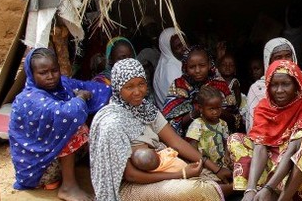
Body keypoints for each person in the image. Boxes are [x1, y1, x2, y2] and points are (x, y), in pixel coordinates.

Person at [90, 58, 233, 201]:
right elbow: (131, 175)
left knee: (210, 176)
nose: (138, 92)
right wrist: (181, 174)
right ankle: (238, 189)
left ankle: (234, 188)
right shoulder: (112, 123)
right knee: (194, 189)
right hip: (130, 187)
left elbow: (175, 141)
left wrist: (216, 168)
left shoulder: (145, 108)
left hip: (162, 169)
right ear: (117, 88)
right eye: (129, 87)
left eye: (141, 84)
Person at [228, 59, 302, 200]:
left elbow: (293, 148)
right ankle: (255, 194)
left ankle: (281, 197)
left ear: (296, 85)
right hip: (273, 175)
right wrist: (250, 189)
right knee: (236, 139)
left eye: (286, 84)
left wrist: (269, 187)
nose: (279, 90)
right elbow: (260, 147)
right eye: (274, 85)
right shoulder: (264, 107)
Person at [9, 48, 111, 201]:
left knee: (96, 115)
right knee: (72, 126)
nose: (50, 77)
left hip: (53, 156)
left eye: (54, 70)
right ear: (31, 73)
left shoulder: (61, 84)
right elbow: (66, 113)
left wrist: (113, 90)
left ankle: (89, 166)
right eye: (43, 73)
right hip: (39, 169)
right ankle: (68, 187)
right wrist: (81, 98)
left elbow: (87, 87)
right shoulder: (29, 99)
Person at [245, 38, 302, 130]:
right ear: (268, 61)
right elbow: (256, 129)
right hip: (269, 140)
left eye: (288, 56)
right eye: (278, 57)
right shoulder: (257, 89)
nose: (284, 61)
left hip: (301, 139)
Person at [162, 45, 237, 136]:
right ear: (185, 67)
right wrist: (196, 112)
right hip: (187, 142)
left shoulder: (219, 84)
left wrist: (215, 109)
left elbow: (234, 119)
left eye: (202, 65)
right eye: (192, 67)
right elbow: (170, 125)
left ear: (209, 64)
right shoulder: (179, 85)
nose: (197, 70)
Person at [185, 85, 231, 169]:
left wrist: (227, 155)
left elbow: (227, 141)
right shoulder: (197, 124)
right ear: (201, 108)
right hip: (203, 165)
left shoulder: (223, 124)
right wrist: (197, 162)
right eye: (211, 109)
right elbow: (192, 145)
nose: (215, 112)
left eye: (218, 108)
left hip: (220, 164)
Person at [153, 28, 187, 108]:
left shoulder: (164, 64)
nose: (184, 48)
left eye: (184, 43)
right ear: (168, 48)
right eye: (178, 47)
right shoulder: (172, 70)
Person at [218, 52, 246, 132]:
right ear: (219, 68)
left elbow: (238, 99)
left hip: (231, 110)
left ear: (235, 69)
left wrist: (234, 108)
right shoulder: (217, 80)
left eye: (231, 65)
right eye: (224, 65)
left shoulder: (234, 82)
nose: (227, 67)